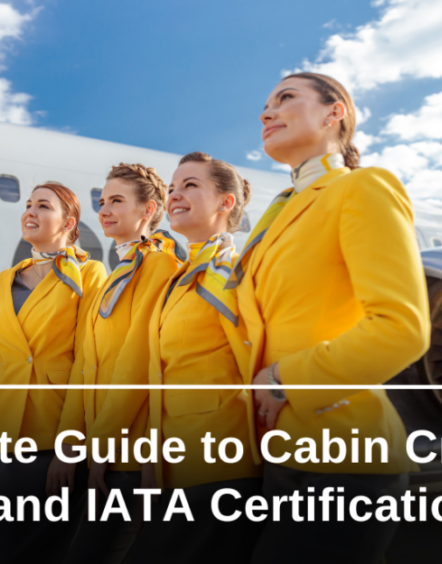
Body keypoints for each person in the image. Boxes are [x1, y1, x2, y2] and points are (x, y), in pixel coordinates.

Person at [231, 72, 431, 563]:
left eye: (285, 98)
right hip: (284, 453)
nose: (266, 112)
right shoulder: (281, 215)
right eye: (265, 104)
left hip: (344, 452)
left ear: (333, 112)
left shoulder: (363, 188)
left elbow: (401, 328)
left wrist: (284, 379)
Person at [125, 152, 263, 564]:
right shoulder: (182, 277)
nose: (174, 195)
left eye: (190, 185)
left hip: (220, 469)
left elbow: (258, 366)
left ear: (226, 203)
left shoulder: (228, 273)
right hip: (176, 470)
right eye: (172, 187)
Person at [53, 163, 185, 563]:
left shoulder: (160, 264)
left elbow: (137, 361)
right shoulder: (118, 273)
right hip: (103, 452)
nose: (104, 210)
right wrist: (69, 445)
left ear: (148, 210)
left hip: (128, 455)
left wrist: (104, 446)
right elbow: (86, 366)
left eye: (116, 201)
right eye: (102, 202)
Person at [0, 182, 107, 564]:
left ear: (69, 222)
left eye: (43, 206)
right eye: (28, 205)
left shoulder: (90, 273)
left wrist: (70, 448)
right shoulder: (3, 280)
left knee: (42, 549)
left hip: (53, 434)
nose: (30, 212)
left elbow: (89, 360)